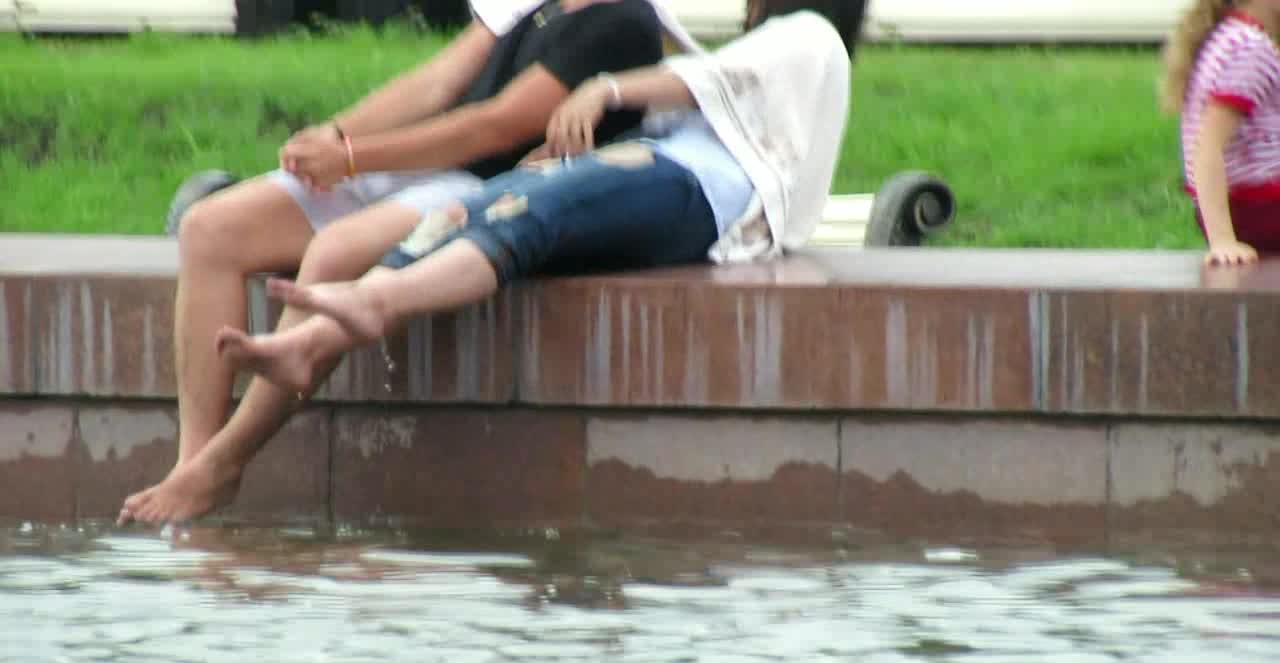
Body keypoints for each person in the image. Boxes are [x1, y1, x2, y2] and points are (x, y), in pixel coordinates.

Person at [119, 3, 858, 525]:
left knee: (338, 251)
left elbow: (500, 126)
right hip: (435, 173)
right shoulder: (528, 5)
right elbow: (437, 81)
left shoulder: (628, 22)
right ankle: (193, 462)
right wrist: (335, 137)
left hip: (479, 183)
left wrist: (352, 157)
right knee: (211, 228)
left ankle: (229, 457)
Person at [1162, 0, 1280, 266]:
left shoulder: (1230, 36)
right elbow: (1208, 147)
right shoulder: (1250, 49)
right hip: (1257, 207)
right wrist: (1223, 240)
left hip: (1249, 206)